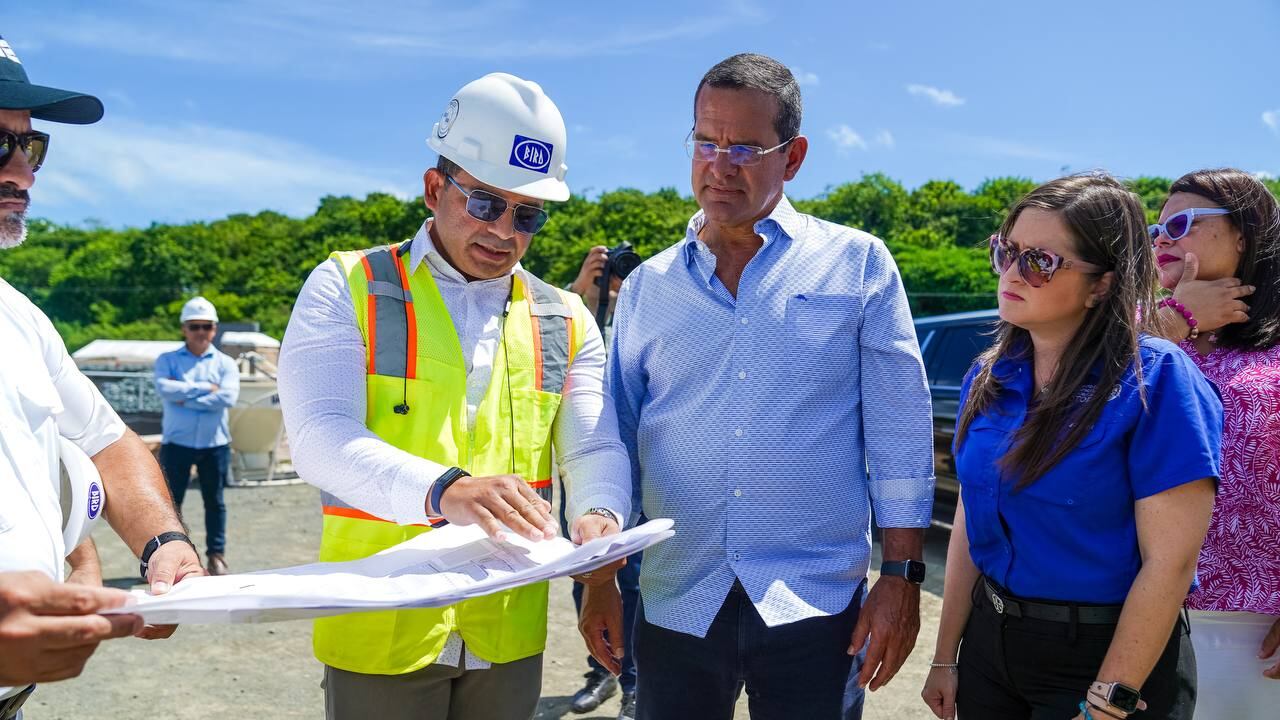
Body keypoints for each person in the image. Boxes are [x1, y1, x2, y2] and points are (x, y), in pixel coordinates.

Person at [590, 53, 935, 720]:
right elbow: (615, 435)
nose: (720, 164)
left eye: (745, 146)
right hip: (676, 597)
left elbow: (898, 433)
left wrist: (899, 578)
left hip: (815, 603)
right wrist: (602, 579)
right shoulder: (650, 290)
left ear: (794, 156)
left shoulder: (857, 265)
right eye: (706, 141)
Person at [278, 72, 631, 720]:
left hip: (505, 625)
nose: (505, 231)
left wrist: (600, 523)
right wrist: (447, 490)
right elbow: (319, 437)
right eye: (486, 204)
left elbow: (594, 446)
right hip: (382, 621)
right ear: (435, 188)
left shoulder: (566, 318)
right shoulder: (347, 284)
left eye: (528, 215)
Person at [920, 173, 1223, 720]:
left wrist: (1112, 697)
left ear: (1102, 284)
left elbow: (1170, 563)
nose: (1011, 273)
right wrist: (946, 658)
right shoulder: (988, 377)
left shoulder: (1157, 381)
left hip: (1105, 658)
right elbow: (971, 515)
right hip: (992, 644)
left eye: (1039, 261)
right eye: (1006, 252)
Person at [0, 34, 203, 718]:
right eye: (0, 145)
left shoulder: (20, 320)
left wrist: (163, 543)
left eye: (32, 148)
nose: (23, 173)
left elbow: (109, 444)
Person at [1148, 168, 1280, 714]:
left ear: (1246, 234)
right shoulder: (1131, 330)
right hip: (1124, 614)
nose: (1161, 239)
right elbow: (1071, 409)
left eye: (1180, 223)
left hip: (1253, 635)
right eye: (1155, 230)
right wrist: (1176, 318)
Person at [563, 248, 641, 719]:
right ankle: (602, 669)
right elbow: (556, 361)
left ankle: (633, 678)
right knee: (584, 572)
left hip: (636, 465)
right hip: (582, 463)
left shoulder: (647, 306)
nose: (617, 276)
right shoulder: (577, 313)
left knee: (631, 579)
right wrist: (584, 292)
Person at [154, 296, 240, 576]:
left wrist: (186, 394)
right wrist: (207, 389)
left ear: (214, 329)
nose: (201, 332)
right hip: (177, 444)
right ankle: (169, 555)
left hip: (215, 445)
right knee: (170, 503)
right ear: (184, 329)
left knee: (214, 502)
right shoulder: (166, 360)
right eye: (195, 326)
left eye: (206, 326)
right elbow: (165, 389)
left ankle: (216, 555)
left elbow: (228, 397)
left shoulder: (226, 363)